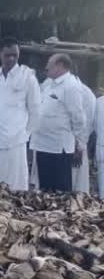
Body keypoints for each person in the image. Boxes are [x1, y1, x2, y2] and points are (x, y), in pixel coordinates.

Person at [0, 37, 41, 191]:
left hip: (16, 142)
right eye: (7, 55)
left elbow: (35, 110)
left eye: (15, 55)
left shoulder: (28, 78)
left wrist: (24, 134)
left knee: (15, 187)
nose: (12, 58)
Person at [30, 54, 85, 192]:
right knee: (45, 189)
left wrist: (79, 143)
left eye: (50, 63)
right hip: (43, 145)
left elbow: (78, 117)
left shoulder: (71, 86)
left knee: (60, 190)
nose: (46, 67)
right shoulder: (48, 84)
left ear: (60, 65)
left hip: (59, 147)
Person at [73, 75, 96, 194]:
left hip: (76, 147)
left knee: (76, 184)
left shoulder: (86, 94)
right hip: (59, 145)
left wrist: (79, 146)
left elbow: (87, 123)